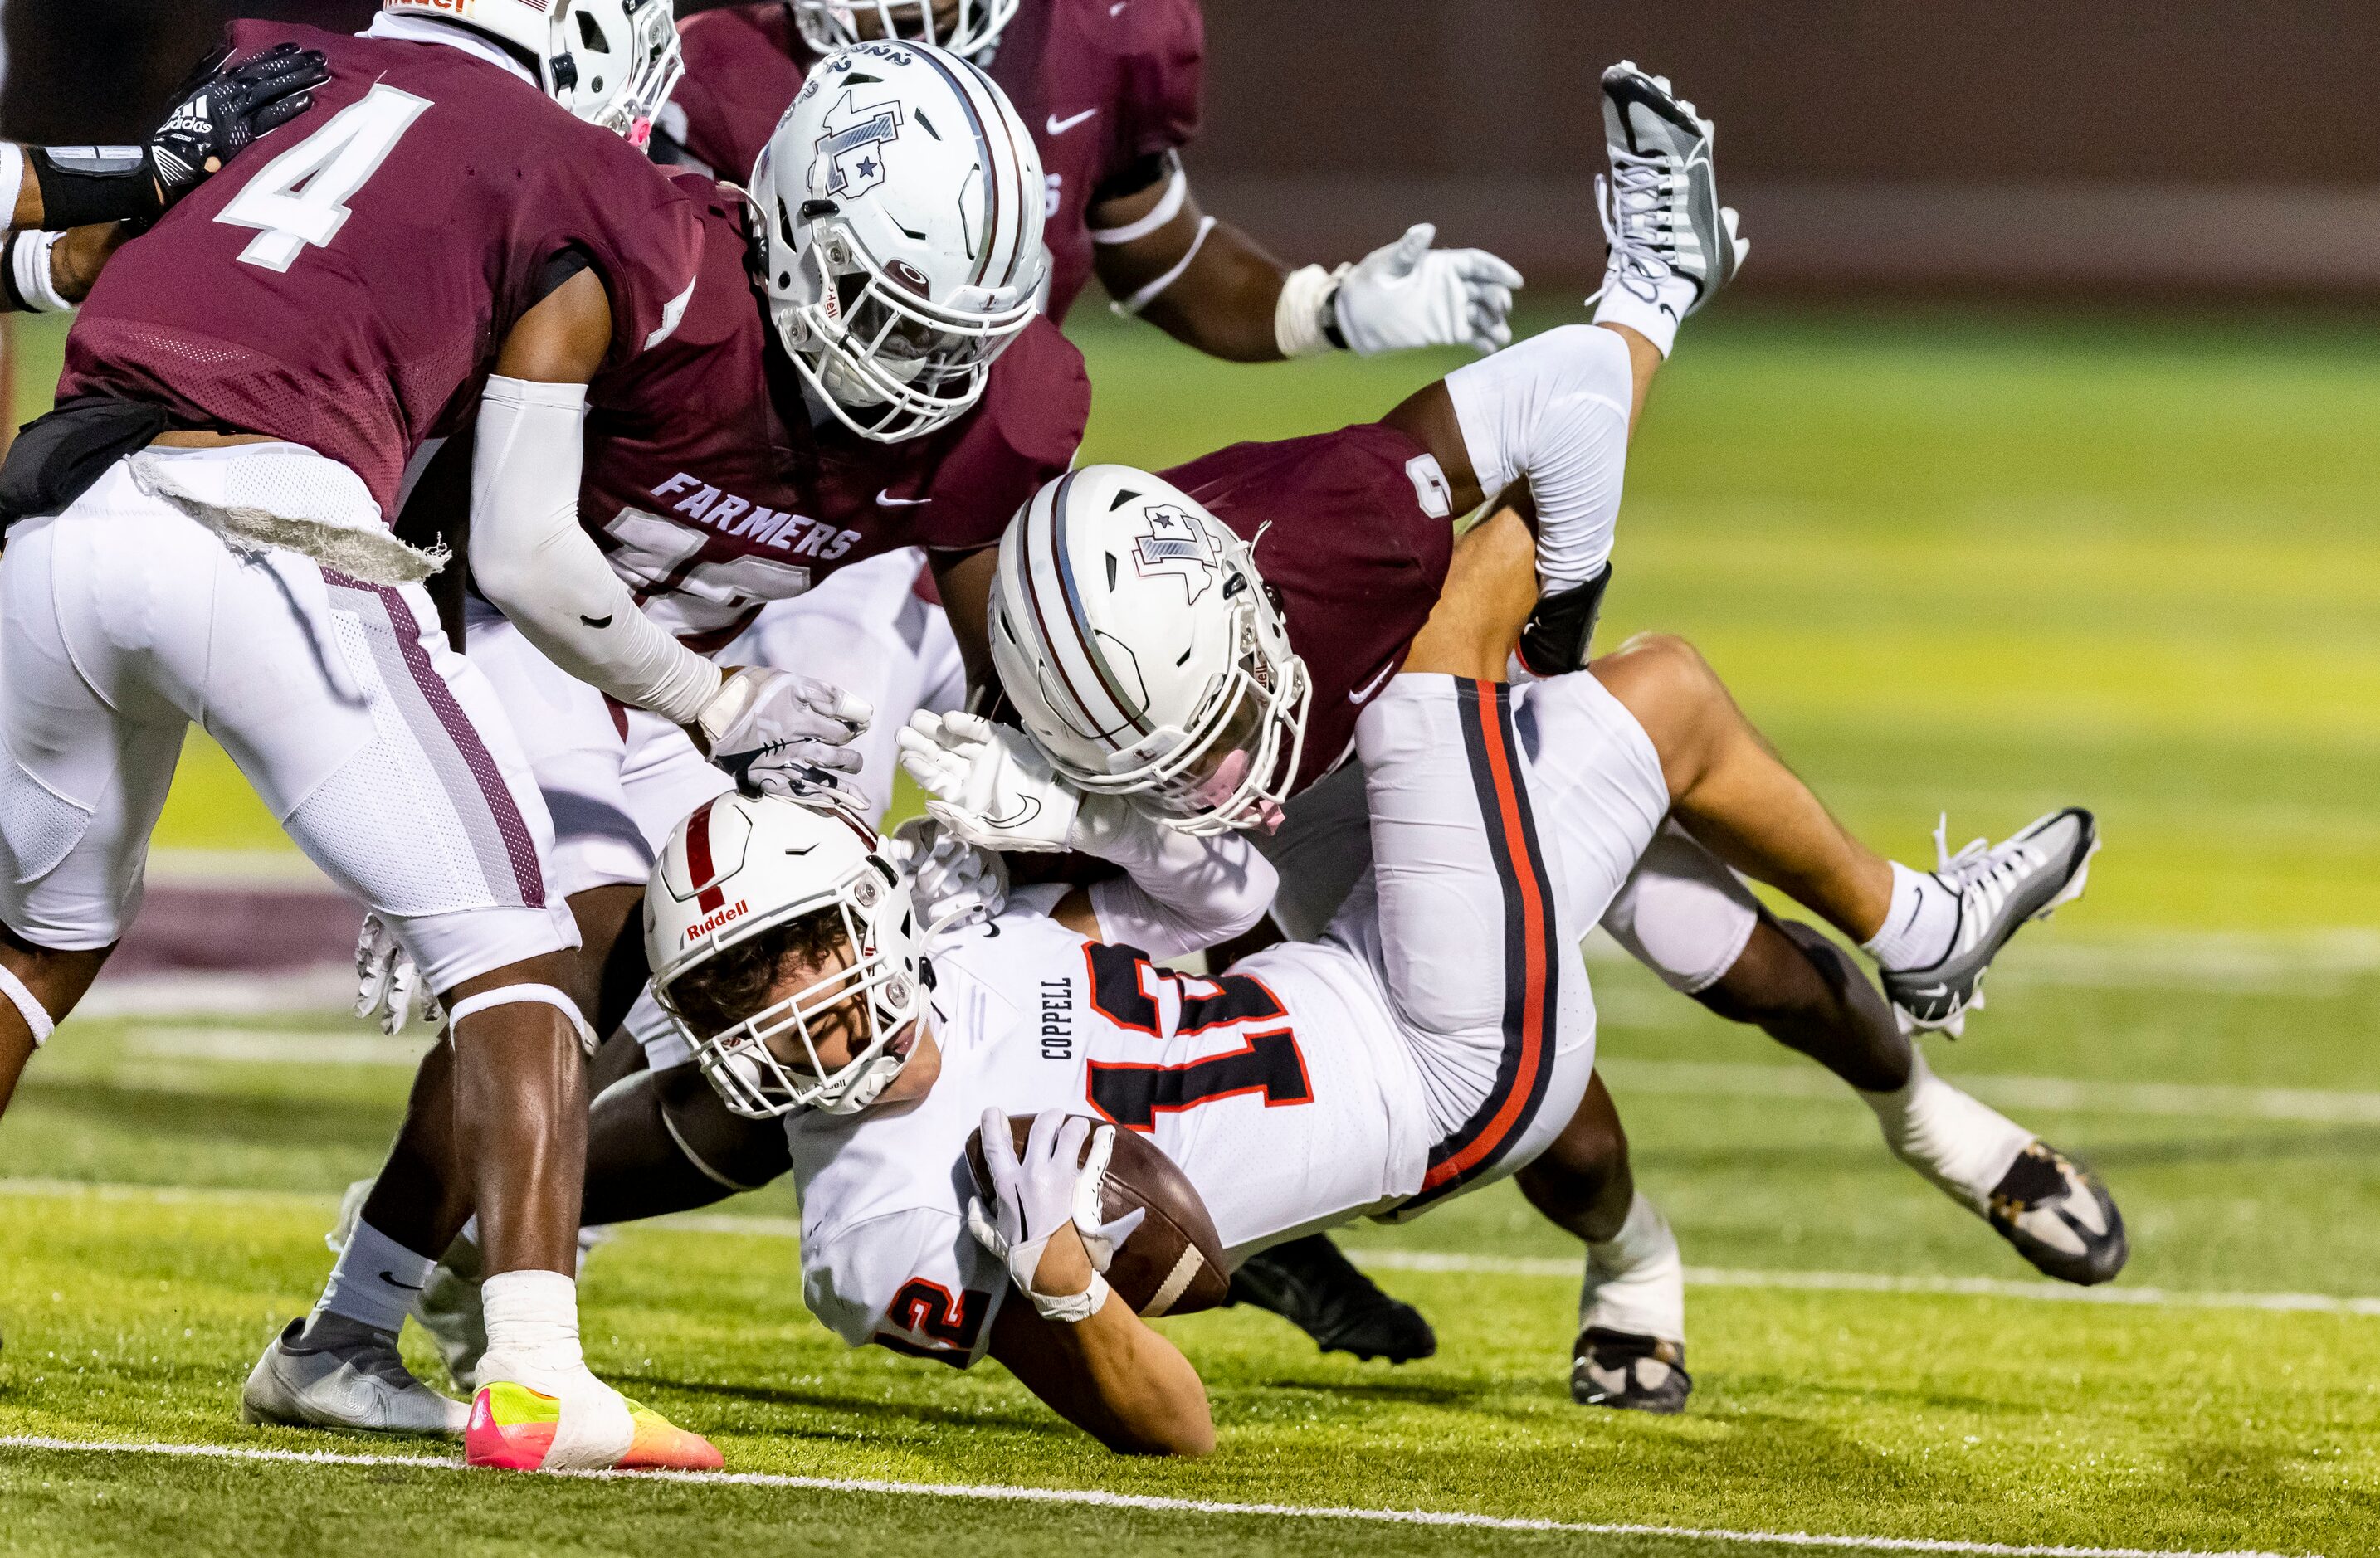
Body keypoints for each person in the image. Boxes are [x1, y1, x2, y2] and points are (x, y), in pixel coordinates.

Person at [298, 37, 1090, 1414]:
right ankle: (401, 1332)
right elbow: (497, 523)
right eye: (884, 311)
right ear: (786, 228)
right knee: (574, 940)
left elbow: (1000, 638)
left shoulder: (990, 418)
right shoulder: (660, 280)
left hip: (674, 664)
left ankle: (375, 1307)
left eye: (951, 334)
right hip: (514, 610)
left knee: (805, 982)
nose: (916, 367)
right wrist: (425, 766)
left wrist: (1027, 777)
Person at [0, 1, 737, 1471]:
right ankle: (536, 1379)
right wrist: (702, 697)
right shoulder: (571, 169)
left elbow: (75, 259)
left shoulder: (281, 72)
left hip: (63, 523)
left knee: (29, 950)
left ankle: (348, 1357)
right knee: (522, 945)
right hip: (269, 523)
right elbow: (525, 533)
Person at [666, 0, 1522, 831]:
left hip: (1006, 499)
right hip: (819, 529)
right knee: (799, 839)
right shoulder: (718, 67)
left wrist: (1320, 305)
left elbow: (1156, 247)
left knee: (1169, 778)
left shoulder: (1102, 30)